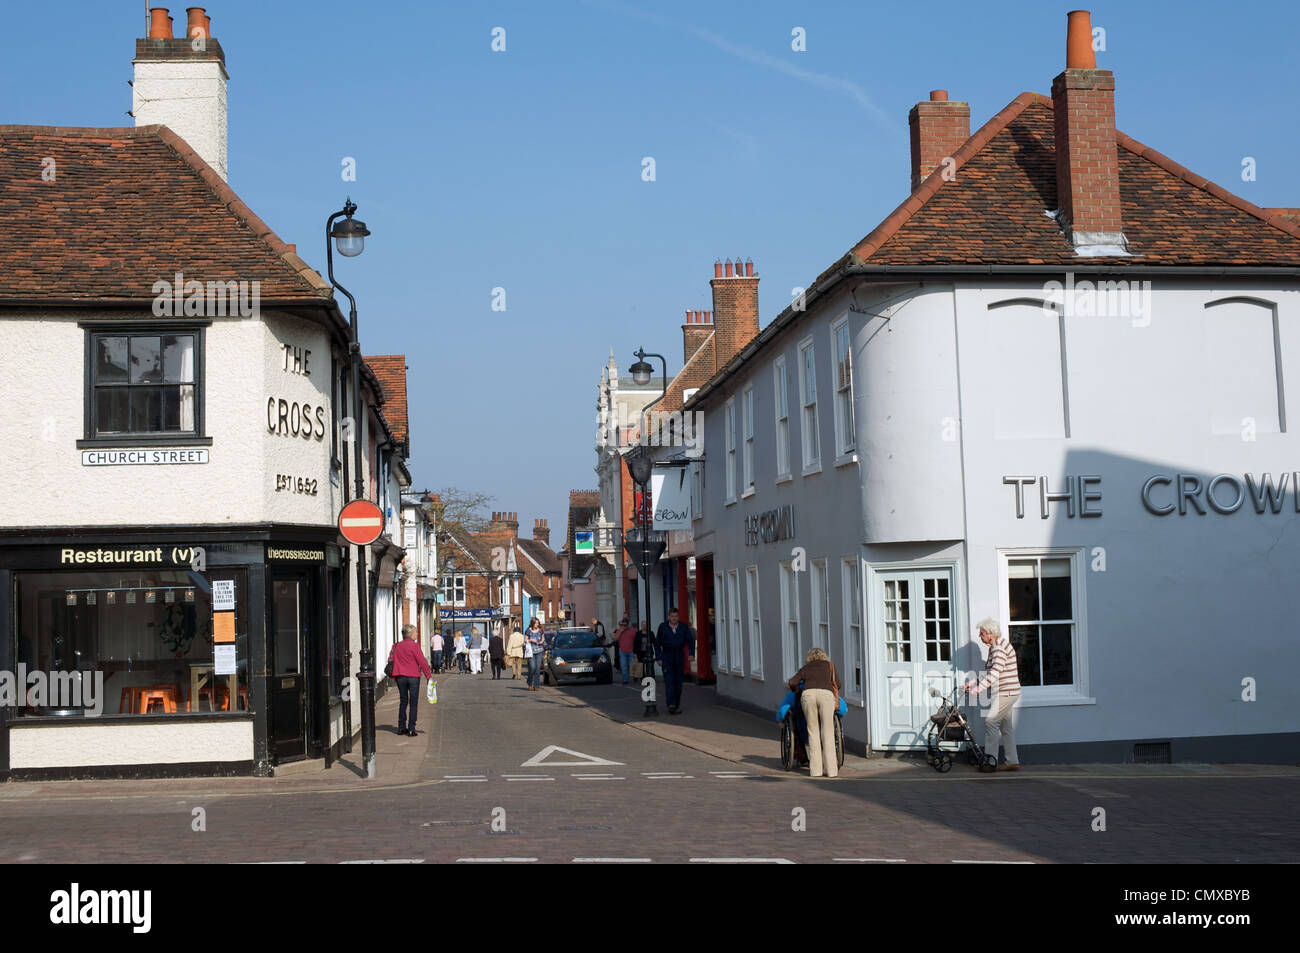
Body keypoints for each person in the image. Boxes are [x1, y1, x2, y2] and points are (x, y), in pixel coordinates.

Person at [963, 618, 1021, 771]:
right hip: (1007, 692)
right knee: (1005, 726)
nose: (980, 636)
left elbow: (995, 672)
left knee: (990, 722)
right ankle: (1012, 762)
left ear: (990, 634)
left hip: (1006, 692)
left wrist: (980, 688)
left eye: (982, 633)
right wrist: (974, 682)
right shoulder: (995, 647)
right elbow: (990, 671)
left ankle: (989, 763)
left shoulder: (999, 648)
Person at [788, 647, 840, 778]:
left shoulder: (806, 668)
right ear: (824, 656)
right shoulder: (829, 666)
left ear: (809, 657)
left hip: (808, 695)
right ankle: (831, 771)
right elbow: (838, 684)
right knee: (827, 732)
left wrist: (796, 690)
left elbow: (792, 682)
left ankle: (815, 771)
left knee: (813, 731)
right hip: (826, 696)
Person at [386, 624, 431, 736]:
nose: (417, 634)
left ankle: (401, 727)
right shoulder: (414, 646)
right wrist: (428, 676)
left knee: (403, 701)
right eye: (416, 632)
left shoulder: (396, 646)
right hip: (413, 677)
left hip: (400, 676)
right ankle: (411, 729)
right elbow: (423, 662)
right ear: (410, 634)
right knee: (413, 702)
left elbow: (390, 659)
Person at [654, 607, 695, 714]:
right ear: (668, 617)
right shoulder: (663, 627)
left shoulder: (683, 627)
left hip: (679, 656)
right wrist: (658, 657)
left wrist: (691, 653)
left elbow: (690, 641)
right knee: (669, 681)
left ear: (678, 617)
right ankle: (670, 704)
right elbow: (657, 643)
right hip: (667, 656)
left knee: (678, 682)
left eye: (676, 616)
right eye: (672, 616)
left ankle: (676, 705)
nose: (674, 618)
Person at [614, 616, 637, 685]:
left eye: (625, 625)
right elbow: (615, 639)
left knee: (633, 666)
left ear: (628, 624)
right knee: (624, 666)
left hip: (631, 651)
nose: (624, 626)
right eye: (622, 624)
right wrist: (621, 631)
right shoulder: (619, 630)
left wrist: (636, 651)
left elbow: (636, 640)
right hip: (622, 651)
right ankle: (625, 680)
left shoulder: (632, 631)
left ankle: (635, 676)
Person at [525, 617, 546, 691]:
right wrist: (531, 640)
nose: (537, 624)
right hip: (531, 652)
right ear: (533, 623)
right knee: (532, 668)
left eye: (538, 623)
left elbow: (543, 638)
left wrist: (541, 641)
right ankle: (530, 682)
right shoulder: (528, 630)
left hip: (539, 651)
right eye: (536, 623)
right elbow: (525, 640)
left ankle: (536, 685)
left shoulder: (540, 630)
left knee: (537, 669)